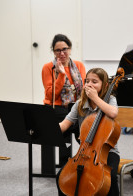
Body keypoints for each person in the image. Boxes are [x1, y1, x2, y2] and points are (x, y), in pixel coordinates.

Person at [56, 68, 120, 196]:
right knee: (61, 176)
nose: (89, 84)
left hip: (107, 152)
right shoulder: (80, 103)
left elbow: (113, 112)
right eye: (87, 81)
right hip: (84, 152)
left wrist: (95, 98)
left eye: (94, 82)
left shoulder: (110, 99)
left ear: (105, 85)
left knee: (109, 178)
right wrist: (48, 127)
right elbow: (64, 124)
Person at [41, 34, 86, 168]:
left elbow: (83, 90)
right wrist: (61, 75)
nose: (61, 53)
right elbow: (51, 96)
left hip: (76, 106)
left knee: (86, 132)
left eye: (64, 49)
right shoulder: (48, 68)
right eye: (57, 50)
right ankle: (64, 164)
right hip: (56, 108)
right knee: (64, 130)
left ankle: (88, 161)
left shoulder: (78, 65)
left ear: (70, 49)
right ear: (53, 52)